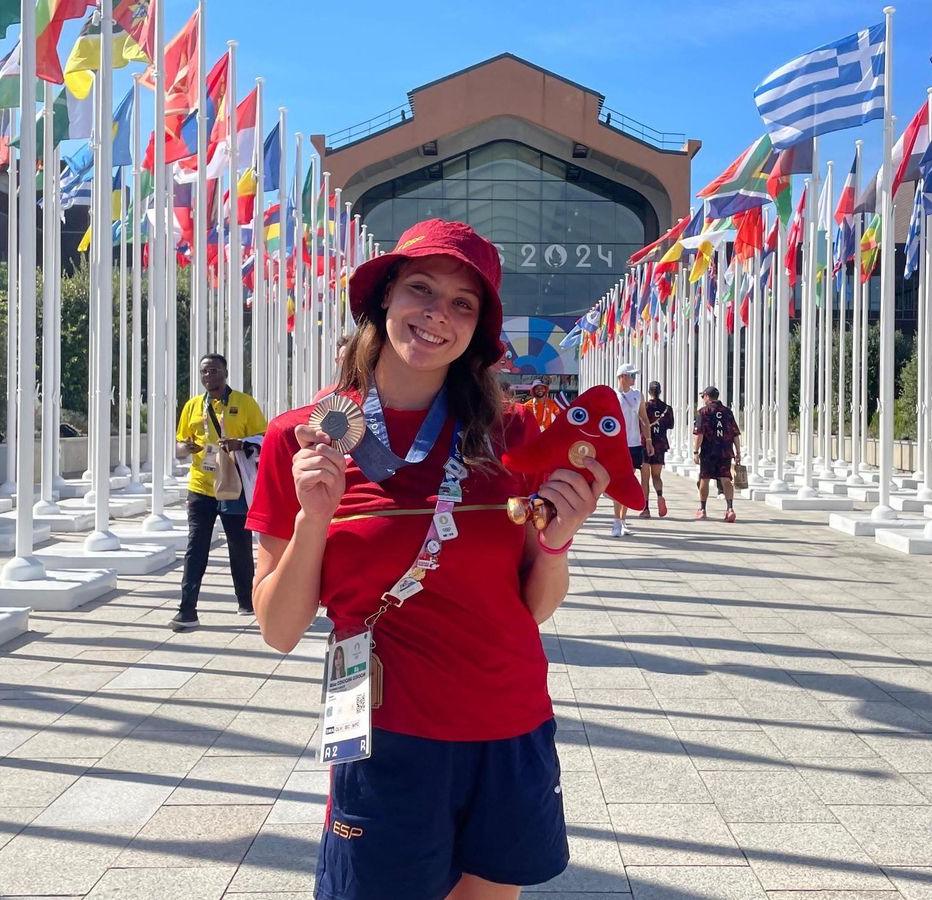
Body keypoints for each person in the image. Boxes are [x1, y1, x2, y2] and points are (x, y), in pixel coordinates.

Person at [248, 218, 606, 900]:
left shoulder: (514, 437)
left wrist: (556, 545)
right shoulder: (301, 437)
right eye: (420, 289)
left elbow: (533, 603)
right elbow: (279, 627)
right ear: (384, 299)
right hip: (386, 733)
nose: (437, 314)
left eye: (462, 303)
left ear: (478, 329)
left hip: (509, 722)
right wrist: (313, 519)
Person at [172, 353, 268, 631]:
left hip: (232, 486)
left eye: (213, 371)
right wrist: (185, 448)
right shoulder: (192, 406)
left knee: (239, 545)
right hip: (201, 487)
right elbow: (179, 444)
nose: (208, 376)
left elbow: (264, 438)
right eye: (203, 372)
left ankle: (247, 601)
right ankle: (186, 610)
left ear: (225, 373)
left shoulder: (244, 403)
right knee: (195, 547)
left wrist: (241, 443)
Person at [609, 363, 650, 537]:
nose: (634, 378)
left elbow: (644, 419)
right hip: (617, 445)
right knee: (619, 482)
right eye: (631, 375)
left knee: (628, 481)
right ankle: (616, 522)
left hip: (633, 445)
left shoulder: (637, 395)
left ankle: (623, 520)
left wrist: (648, 440)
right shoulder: (612, 396)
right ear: (622, 377)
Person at [693, 385, 741, 523]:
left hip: (709, 451)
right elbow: (735, 434)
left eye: (703, 396)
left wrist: (696, 451)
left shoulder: (703, 412)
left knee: (705, 479)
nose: (703, 399)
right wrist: (738, 452)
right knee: (726, 479)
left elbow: (699, 434)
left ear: (707, 397)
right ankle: (730, 508)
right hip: (725, 451)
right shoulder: (727, 412)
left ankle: (702, 509)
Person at [643, 381, 674, 518]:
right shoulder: (667, 408)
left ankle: (645, 508)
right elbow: (670, 425)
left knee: (645, 478)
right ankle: (660, 496)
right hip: (660, 444)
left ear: (649, 392)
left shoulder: (644, 406)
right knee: (657, 476)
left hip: (645, 443)